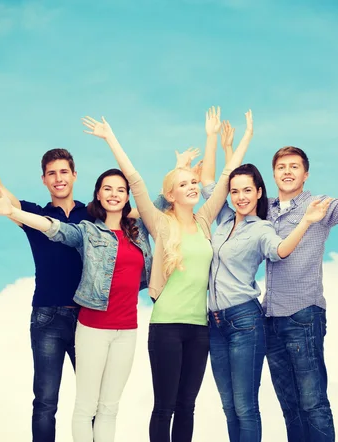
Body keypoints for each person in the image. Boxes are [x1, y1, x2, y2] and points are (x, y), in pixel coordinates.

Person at [81, 107, 252, 442]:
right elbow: (135, 180)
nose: (192, 186)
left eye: (193, 182)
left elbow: (227, 175)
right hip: (166, 328)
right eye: (183, 183)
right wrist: (109, 137)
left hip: (199, 328)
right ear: (171, 194)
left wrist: (235, 138)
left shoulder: (204, 221)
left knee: (187, 406)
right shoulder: (160, 223)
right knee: (165, 407)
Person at [0, 168, 152, 442]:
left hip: (127, 330)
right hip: (89, 324)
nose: (114, 194)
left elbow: (159, 207)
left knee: (108, 408)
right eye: (108, 188)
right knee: (74, 405)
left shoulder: (138, 230)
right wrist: (12, 212)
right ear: (97, 193)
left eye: (121, 189)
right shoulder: (87, 229)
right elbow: (54, 228)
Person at [0, 104, 91, 442]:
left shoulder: (93, 215)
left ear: (75, 175)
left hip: (89, 318)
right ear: (44, 180)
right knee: (45, 402)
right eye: (52, 173)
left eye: (64, 171)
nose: (59, 178)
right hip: (47, 316)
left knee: (92, 403)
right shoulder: (33, 215)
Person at [199, 121, 331, 442]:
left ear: (260, 193)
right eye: (234, 191)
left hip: (245, 319)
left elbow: (280, 251)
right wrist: (214, 140)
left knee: (246, 406)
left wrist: (306, 222)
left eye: (248, 190)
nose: (240, 197)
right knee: (229, 406)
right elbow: (207, 183)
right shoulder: (222, 220)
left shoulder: (262, 228)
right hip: (213, 321)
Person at [264, 118, 338, 442]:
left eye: (294, 166)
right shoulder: (263, 209)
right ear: (274, 173)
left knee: (313, 403)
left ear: (305, 173)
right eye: (281, 166)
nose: (288, 171)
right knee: (290, 406)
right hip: (269, 318)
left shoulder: (318, 205)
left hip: (304, 315)